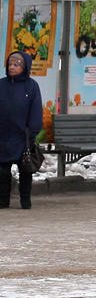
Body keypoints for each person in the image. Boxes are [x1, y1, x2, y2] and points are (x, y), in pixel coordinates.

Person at [0, 51, 43, 209]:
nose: (12, 67)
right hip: (3, 136)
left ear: (24, 67)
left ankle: (25, 200)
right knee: (2, 172)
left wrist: (32, 131)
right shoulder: (1, 84)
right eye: (10, 64)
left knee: (25, 170)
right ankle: (3, 201)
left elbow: (36, 110)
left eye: (16, 65)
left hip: (23, 137)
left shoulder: (31, 86)